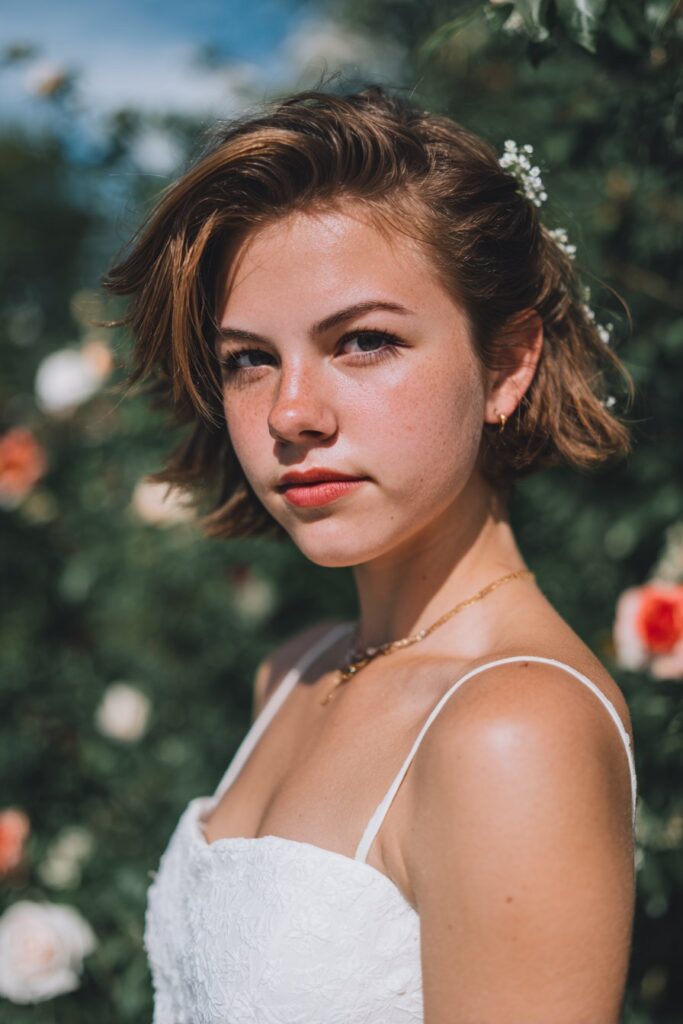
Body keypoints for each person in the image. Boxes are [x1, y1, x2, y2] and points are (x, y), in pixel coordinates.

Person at [102, 85, 638, 1024]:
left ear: (507, 364)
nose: (289, 414)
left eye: (363, 341)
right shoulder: (296, 671)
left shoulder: (512, 730)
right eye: (248, 358)